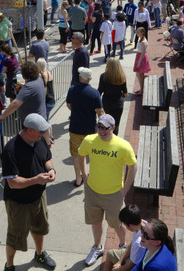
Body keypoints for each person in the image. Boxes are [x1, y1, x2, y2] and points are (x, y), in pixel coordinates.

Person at [79, 114, 137, 266]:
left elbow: (133, 166)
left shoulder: (123, 146)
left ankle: (123, 246)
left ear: (113, 128)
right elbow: (81, 155)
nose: (101, 131)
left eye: (105, 128)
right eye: (99, 127)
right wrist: (85, 177)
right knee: (95, 221)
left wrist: (124, 191)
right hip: (92, 191)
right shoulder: (89, 141)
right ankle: (97, 247)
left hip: (114, 194)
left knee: (116, 223)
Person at [1, 114, 57, 271]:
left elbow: (47, 158)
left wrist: (51, 169)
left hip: (39, 196)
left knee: (40, 228)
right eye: (40, 131)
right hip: (19, 202)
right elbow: (12, 183)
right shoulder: (10, 150)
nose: (43, 134)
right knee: (15, 237)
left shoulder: (39, 141)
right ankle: (9, 266)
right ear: (30, 130)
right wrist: (35, 180)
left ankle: (39, 254)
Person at [66, 67, 104, 187]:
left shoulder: (72, 90)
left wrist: (76, 111)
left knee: (76, 155)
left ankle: (78, 179)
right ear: (90, 79)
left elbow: (68, 104)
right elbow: (100, 112)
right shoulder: (95, 93)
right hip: (90, 130)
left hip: (75, 128)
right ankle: (91, 176)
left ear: (80, 77)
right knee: (92, 155)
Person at [0, 61, 47, 127]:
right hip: (39, 119)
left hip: (32, 124)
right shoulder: (39, 79)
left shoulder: (29, 87)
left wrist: (3, 115)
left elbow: (15, 103)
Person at [100, 206, 147, 271]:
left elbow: (131, 266)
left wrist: (116, 269)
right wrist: (120, 261)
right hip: (133, 256)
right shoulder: (142, 223)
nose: (126, 228)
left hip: (135, 265)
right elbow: (131, 245)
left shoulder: (139, 243)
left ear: (131, 225)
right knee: (110, 253)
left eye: (125, 225)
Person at [97, 58, 128, 134]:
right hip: (118, 104)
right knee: (116, 124)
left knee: (106, 124)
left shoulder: (103, 76)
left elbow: (99, 91)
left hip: (107, 103)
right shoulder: (122, 76)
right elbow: (125, 93)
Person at [36, 58, 55, 131]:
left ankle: (48, 139)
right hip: (51, 100)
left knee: (45, 122)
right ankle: (50, 137)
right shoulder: (48, 73)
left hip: (46, 102)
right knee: (47, 119)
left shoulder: (40, 76)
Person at [133, 27, 151, 95]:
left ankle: (141, 90)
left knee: (139, 74)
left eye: (138, 32)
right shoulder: (141, 39)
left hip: (141, 57)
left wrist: (139, 62)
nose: (137, 33)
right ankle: (141, 89)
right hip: (139, 56)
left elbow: (143, 53)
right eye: (137, 31)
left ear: (142, 32)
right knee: (140, 74)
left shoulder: (143, 42)